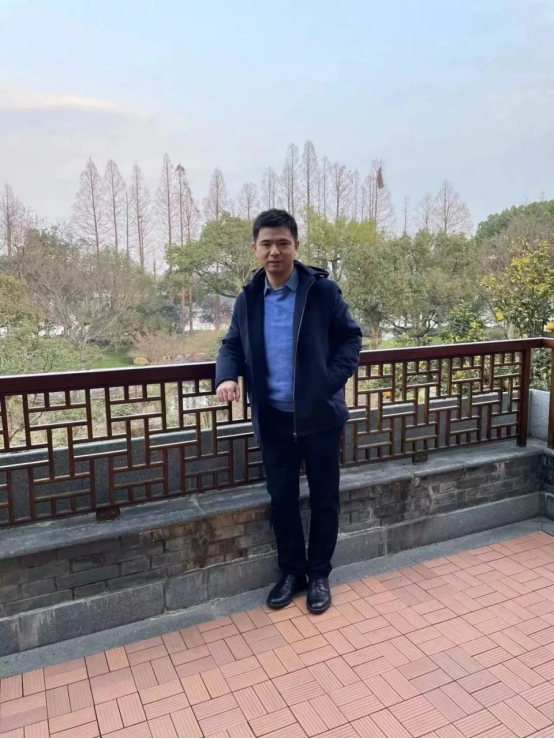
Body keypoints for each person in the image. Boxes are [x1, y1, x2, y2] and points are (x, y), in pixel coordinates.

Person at [216, 209, 362, 614]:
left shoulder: (321, 292)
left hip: (319, 418)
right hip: (274, 419)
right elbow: (231, 345)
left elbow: (351, 340)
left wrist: (326, 383)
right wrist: (226, 377)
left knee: (325, 499)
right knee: (281, 501)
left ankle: (319, 575)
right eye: (266, 244)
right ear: (255, 249)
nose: (275, 251)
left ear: (296, 246)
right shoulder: (248, 299)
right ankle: (292, 572)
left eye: (283, 243)